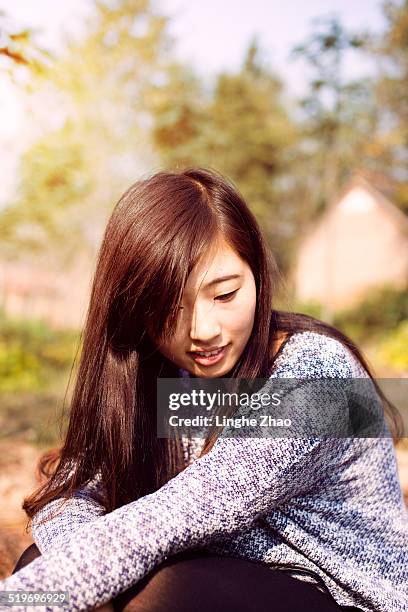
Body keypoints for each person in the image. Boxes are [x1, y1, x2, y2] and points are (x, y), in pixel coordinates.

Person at [2, 167, 407, 611]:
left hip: (343, 595)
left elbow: (175, 517)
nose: (203, 331)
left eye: (225, 294)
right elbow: (74, 490)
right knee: (41, 565)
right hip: (224, 576)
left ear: (256, 274)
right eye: (169, 307)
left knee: (153, 595)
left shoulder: (318, 378)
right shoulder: (162, 376)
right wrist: (70, 558)